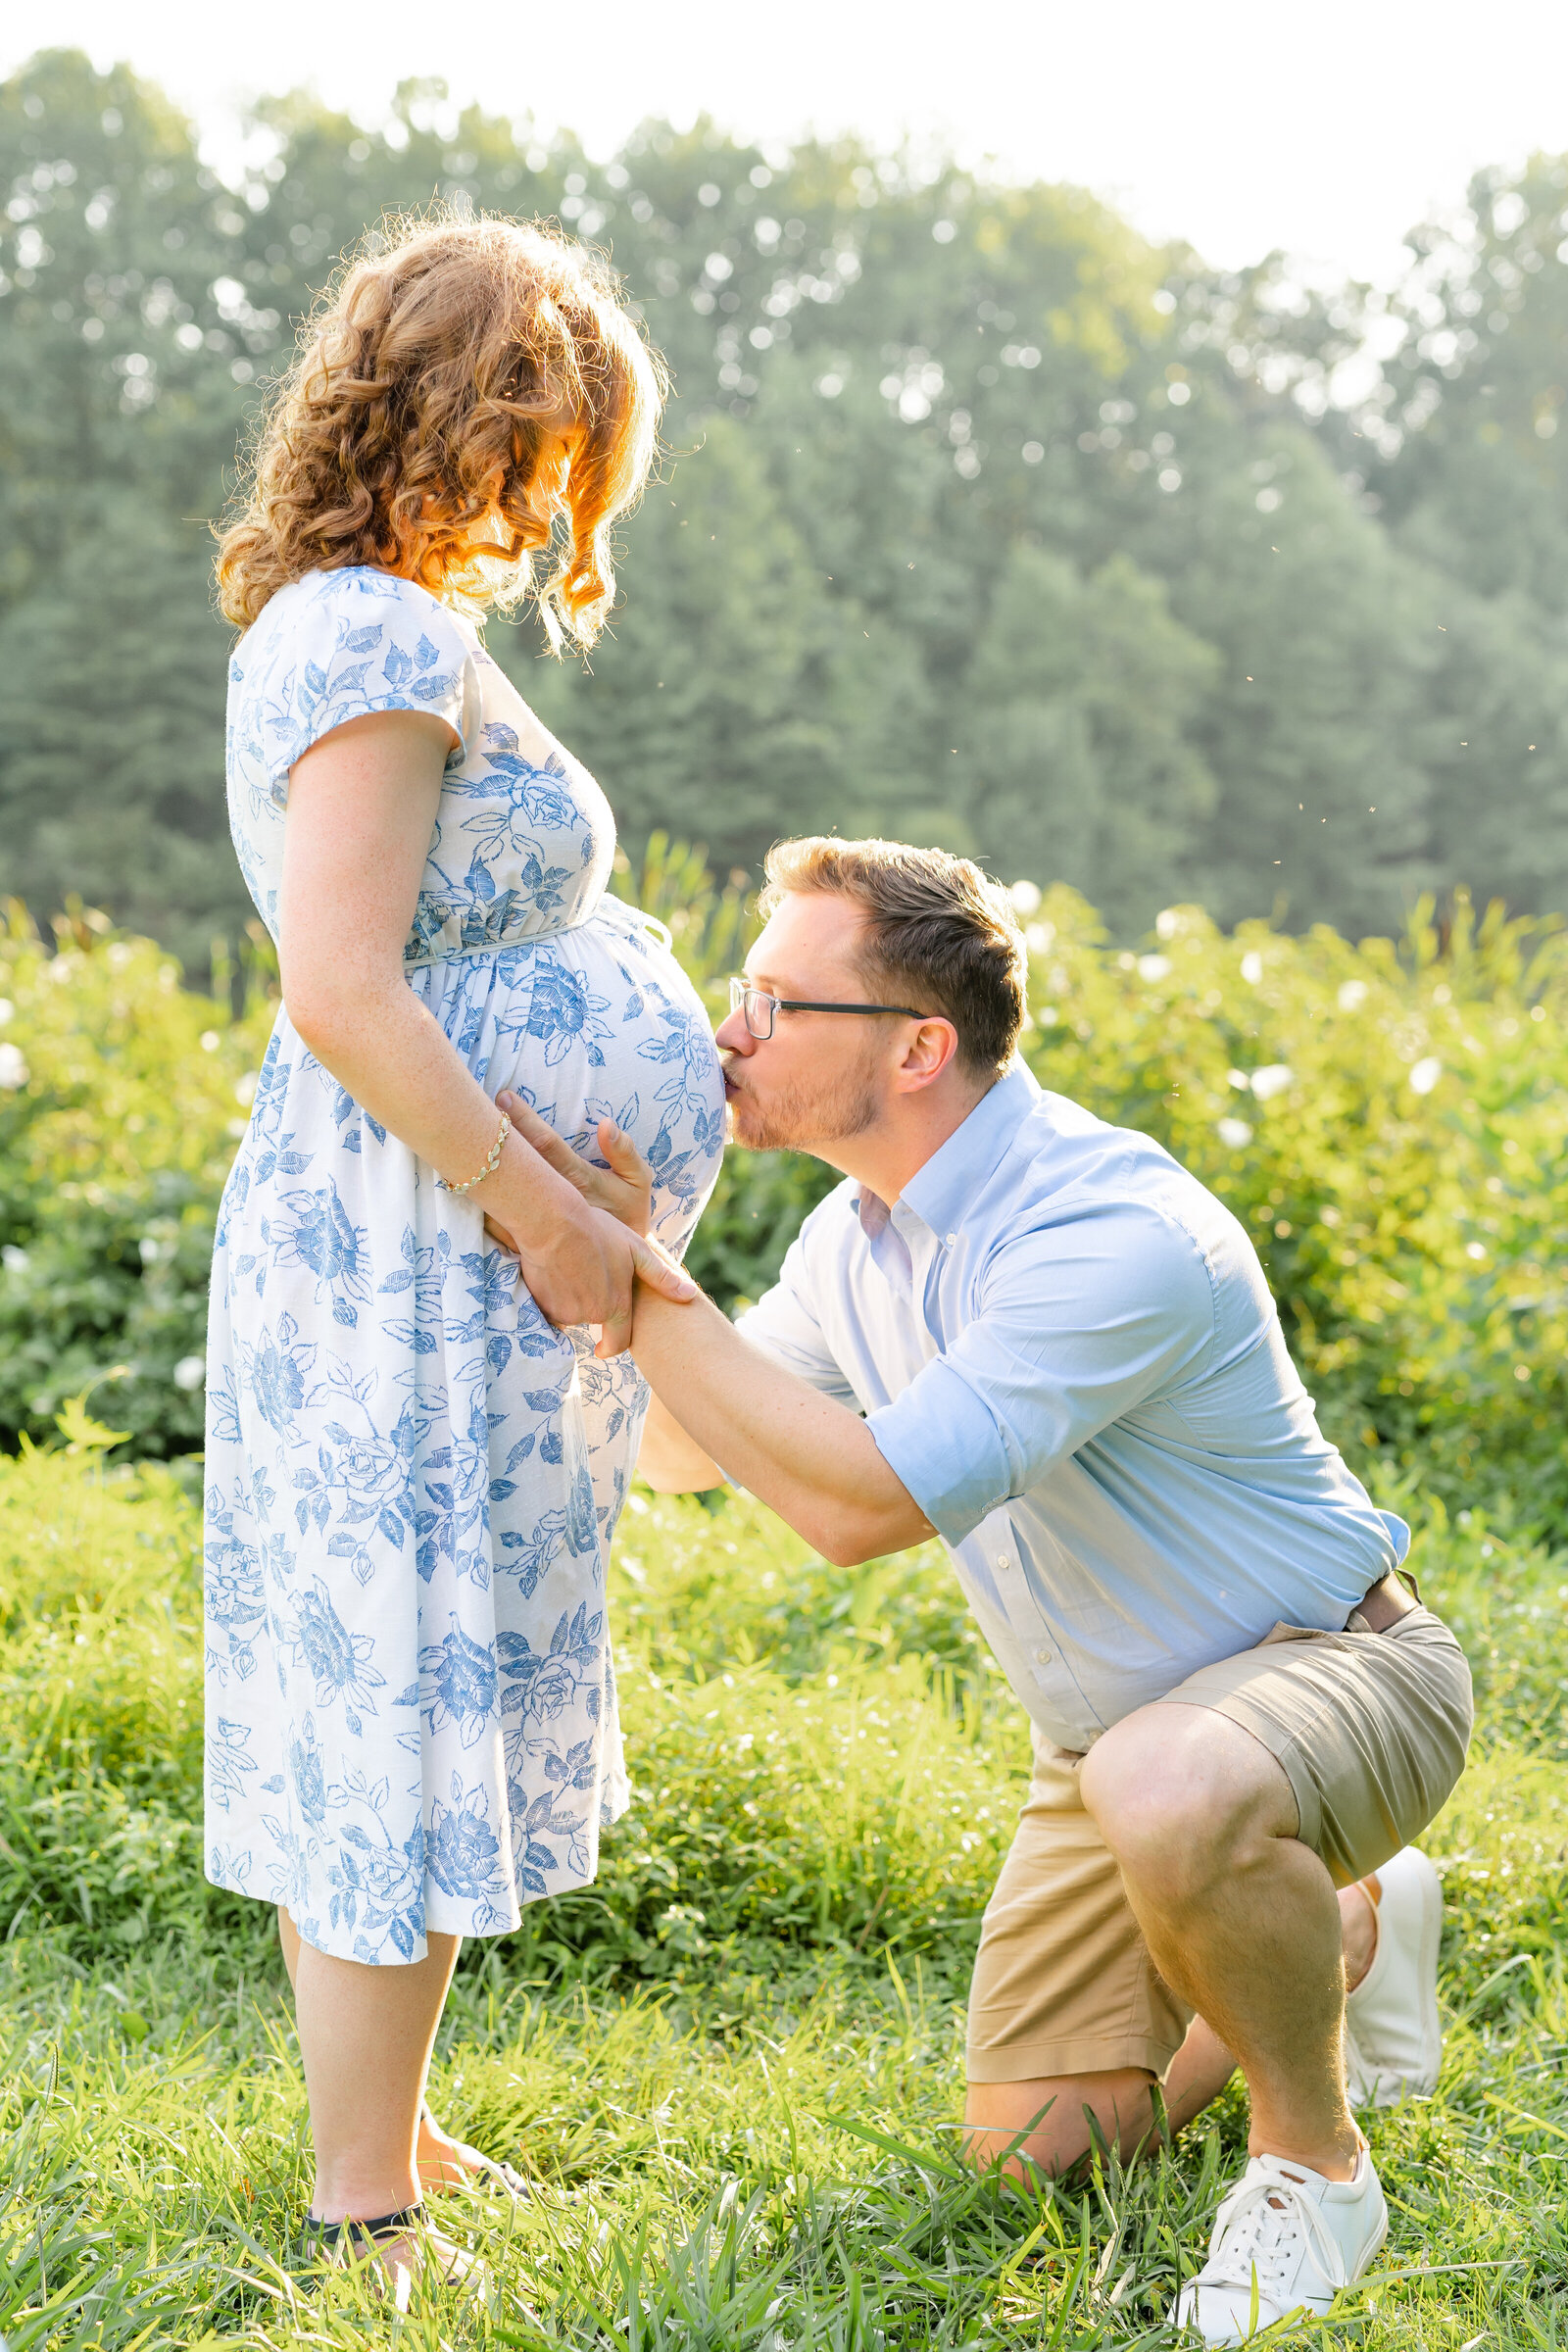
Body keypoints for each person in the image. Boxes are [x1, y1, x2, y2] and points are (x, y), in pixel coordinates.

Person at [504, 835, 1471, 2345]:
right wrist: (648, 1266)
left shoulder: (1105, 1233)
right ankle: (1341, 1931)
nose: (725, 1033)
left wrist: (636, 1275)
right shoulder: (855, 1235)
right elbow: (695, 1450)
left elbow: (854, 1505)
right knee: (1038, 2155)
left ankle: (1315, 2165)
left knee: (1165, 1779)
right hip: (1119, 1748)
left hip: (1344, 1669)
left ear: (918, 1048)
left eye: (770, 1001)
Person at [203, 212, 724, 2291]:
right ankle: (363, 2200)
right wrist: (550, 1219)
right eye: (549, 451)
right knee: (398, 1677)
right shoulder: (377, 642)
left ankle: (389, 2118)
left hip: (417, 1229)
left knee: (401, 1660)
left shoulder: (353, 620)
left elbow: (405, 960)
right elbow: (345, 983)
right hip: (423, 1253)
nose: (553, 507)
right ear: (475, 423)